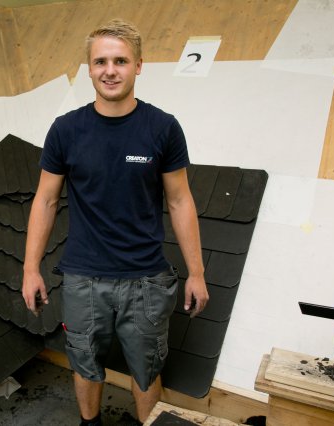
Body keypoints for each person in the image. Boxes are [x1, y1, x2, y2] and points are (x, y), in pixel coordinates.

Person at [22, 19, 209, 426]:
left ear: (138, 66)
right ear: (89, 69)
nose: (110, 70)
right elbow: (46, 200)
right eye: (101, 61)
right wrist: (30, 268)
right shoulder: (66, 130)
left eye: (120, 61)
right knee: (85, 363)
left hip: (146, 281)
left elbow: (180, 200)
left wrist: (196, 273)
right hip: (83, 280)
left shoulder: (162, 128)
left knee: (146, 370)